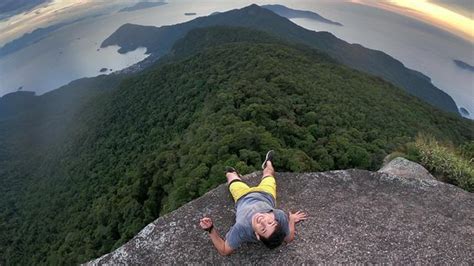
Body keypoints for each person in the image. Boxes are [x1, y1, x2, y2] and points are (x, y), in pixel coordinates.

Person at [199, 150, 308, 256]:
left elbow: (224, 250)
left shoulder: (242, 229)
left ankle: (234, 173)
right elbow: (289, 238)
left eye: (263, 229)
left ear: (257, 236)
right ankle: (268, 162)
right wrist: (292, 220)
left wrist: (210, 229)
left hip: (243, 196)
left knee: (230, 175)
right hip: (266, 194)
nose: (263, 221)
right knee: (269, 173)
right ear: (275, 221)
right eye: (270, 223)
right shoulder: (279, 215)